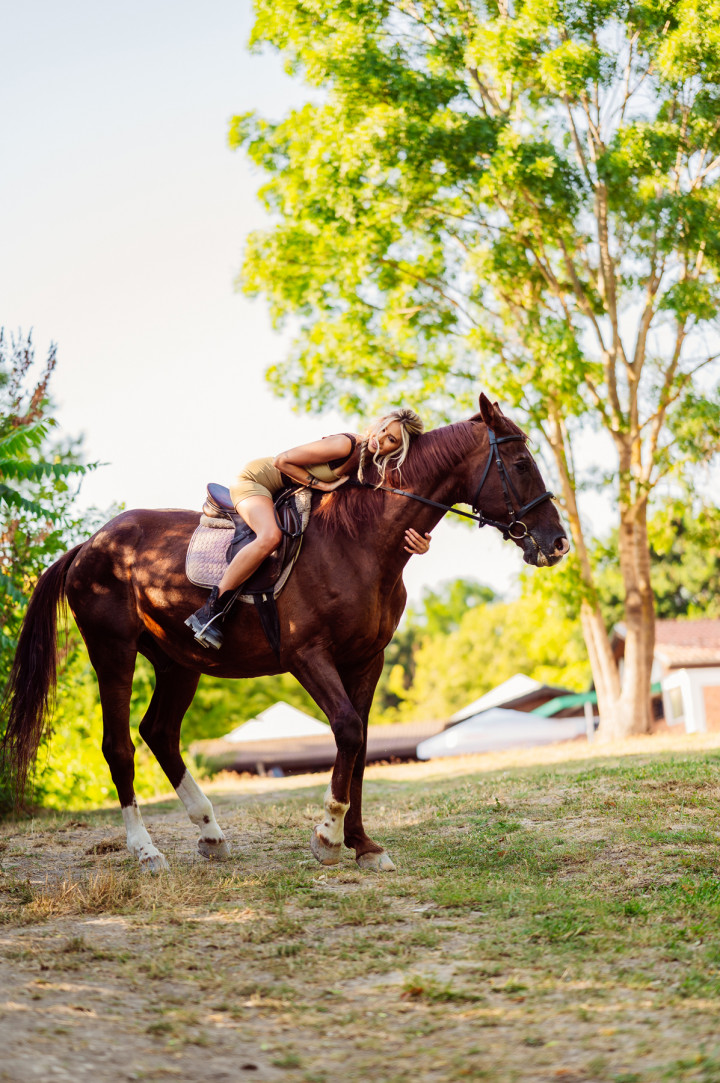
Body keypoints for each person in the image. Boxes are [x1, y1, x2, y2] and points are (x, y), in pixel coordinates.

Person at [186, 409, 430, 649]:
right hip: (258, 481)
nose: (381, 437)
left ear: (399, 449)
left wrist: (422, 541)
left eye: (391, 439)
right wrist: (322, 485)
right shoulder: (346, 445)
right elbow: (282, 460)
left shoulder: (372, 465)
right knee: (270, 537)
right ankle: (210, 611)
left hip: (286, 490)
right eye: (383, 428)